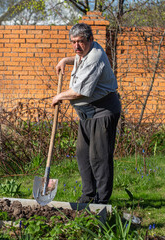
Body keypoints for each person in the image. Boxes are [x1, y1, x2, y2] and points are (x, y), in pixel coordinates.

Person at [52, 23, 121, 204]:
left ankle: (101, 202)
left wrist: (60, 96)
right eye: (73, 42)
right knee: (83, 155)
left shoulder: (95, 57)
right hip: (87, 113)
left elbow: (79, 91)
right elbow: (79, 58)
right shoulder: (85, 52)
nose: (76, 46)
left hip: (102, 111)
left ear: (90, 39)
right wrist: (65, 60)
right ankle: (87, 196)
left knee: (99, 157)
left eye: (81, 42)